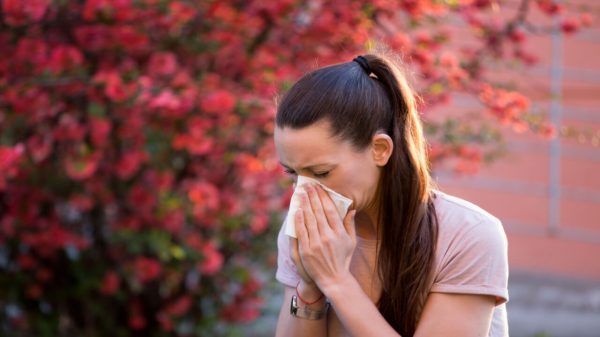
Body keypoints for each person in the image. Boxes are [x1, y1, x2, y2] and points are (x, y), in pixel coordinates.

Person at [272, 52, 509, 337]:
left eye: (321, 173)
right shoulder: (311, 230)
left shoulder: (466, 235)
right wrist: (309, 288)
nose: (304, 192)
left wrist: (335, 280)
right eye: (293, 174)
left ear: (380, 150)